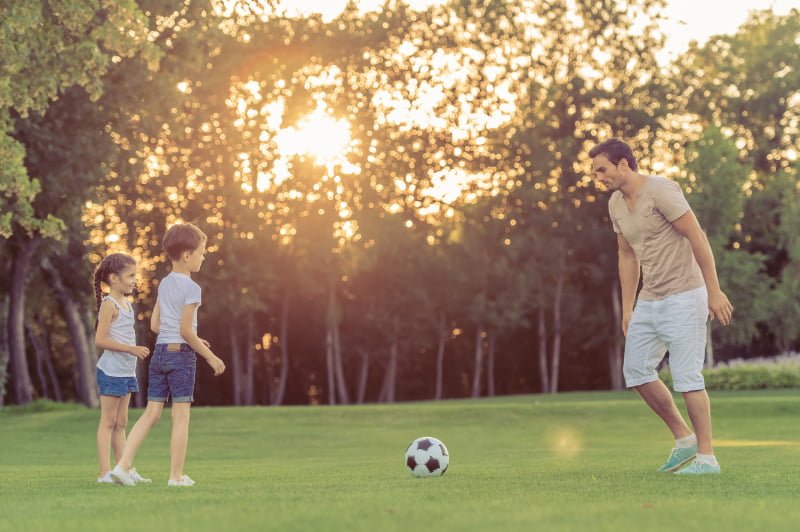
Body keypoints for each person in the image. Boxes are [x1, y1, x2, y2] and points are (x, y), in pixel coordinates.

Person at [590, 138, 733, 475]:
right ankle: (683, 439)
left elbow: (697, 236)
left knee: (687, 377)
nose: (599, 177)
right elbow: (626, 255)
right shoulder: (616, 204)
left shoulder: (662, 191)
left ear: (623, 164)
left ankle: (707, 458)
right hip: (650, 299)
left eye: (602, 169)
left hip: (685, 294)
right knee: (636, 370)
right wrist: (628, 309)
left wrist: (714, 290)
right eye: (596, 172)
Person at [110, 223, 226, 487]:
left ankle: (123, 466)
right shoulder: (192, 288)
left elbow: (155, 326)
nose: (203, 256)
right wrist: (210, 356)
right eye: (202, 252)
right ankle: (175, 477)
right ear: (187, 255)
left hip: (161, 353)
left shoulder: (164, 284)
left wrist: (192, 339)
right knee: (181, 415)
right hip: (181, 356)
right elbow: (186, 330)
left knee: (151, 413)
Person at [93, 252, 151, 484]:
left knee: (122, 422)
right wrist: (131, 349)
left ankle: (123, 469)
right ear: (114, 279)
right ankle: (104, 473)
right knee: (108, 422)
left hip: (126, 371)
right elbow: (100, 340)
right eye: (130, 275)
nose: (134, 280)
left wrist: (132, 353)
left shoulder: (127, 304)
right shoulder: (109, 305)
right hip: (111, 371)